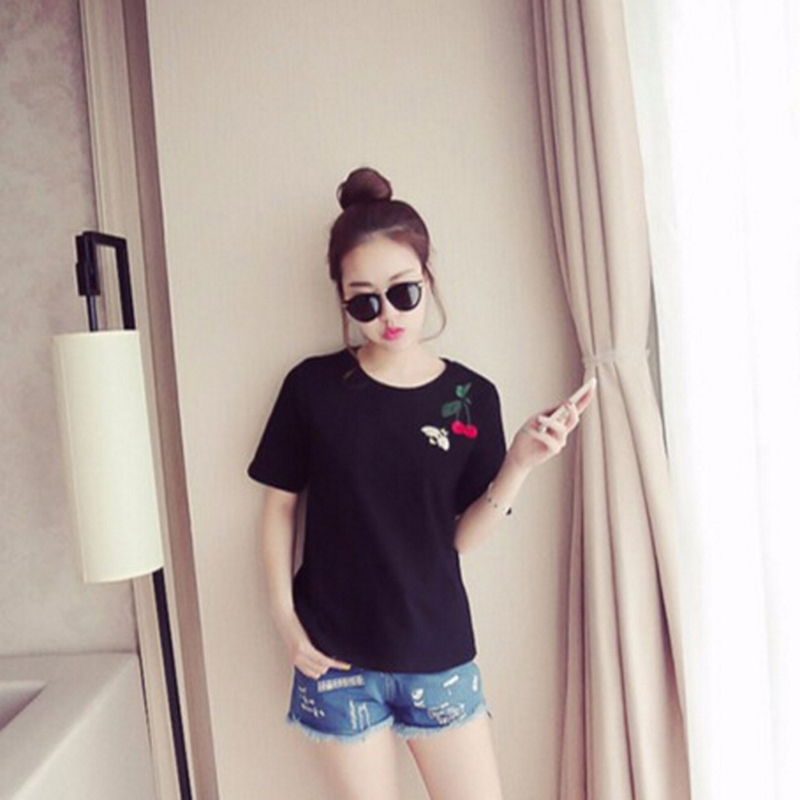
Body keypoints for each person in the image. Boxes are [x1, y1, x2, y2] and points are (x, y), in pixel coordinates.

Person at [248, 167, 595, 800]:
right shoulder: (312, 388)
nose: (388, 315)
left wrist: (519, 464)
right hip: (334, 661)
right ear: (342, 300)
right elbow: (278, 506)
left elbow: (462, 538)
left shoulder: (471, 397)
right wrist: (284, 619)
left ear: (428, 280)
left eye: (404, 292)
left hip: (437, 652)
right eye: (364, 302)